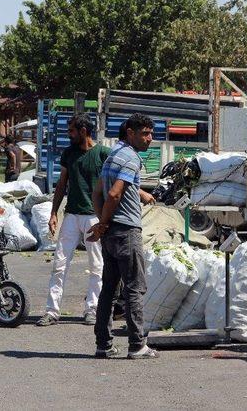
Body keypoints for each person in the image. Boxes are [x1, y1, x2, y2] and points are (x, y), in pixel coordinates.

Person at [88, 113, 158, 359]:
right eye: (144, 134)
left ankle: (103, 344)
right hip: (127, 231)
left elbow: (98, 192)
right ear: (130, 133)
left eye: (150, 133)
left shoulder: (113, 154)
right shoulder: (131, 157)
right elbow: (114, 194)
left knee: (109, 289)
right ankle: (137, 345)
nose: (150, 139)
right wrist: (103, 222)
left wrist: (102, 225)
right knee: (134, 288)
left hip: (111, 233)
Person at [35, 114, 111, 327]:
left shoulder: (103, 154)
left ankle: (92, 309)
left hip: (94, 217)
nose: (69, 135)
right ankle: (52, 311)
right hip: (71, 216)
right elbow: (61, 185)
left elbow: (114, 185)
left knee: (97, 266)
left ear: (84, 131)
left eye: (72, 131)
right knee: (59, 264)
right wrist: (53, 213)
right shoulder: (68, 154)